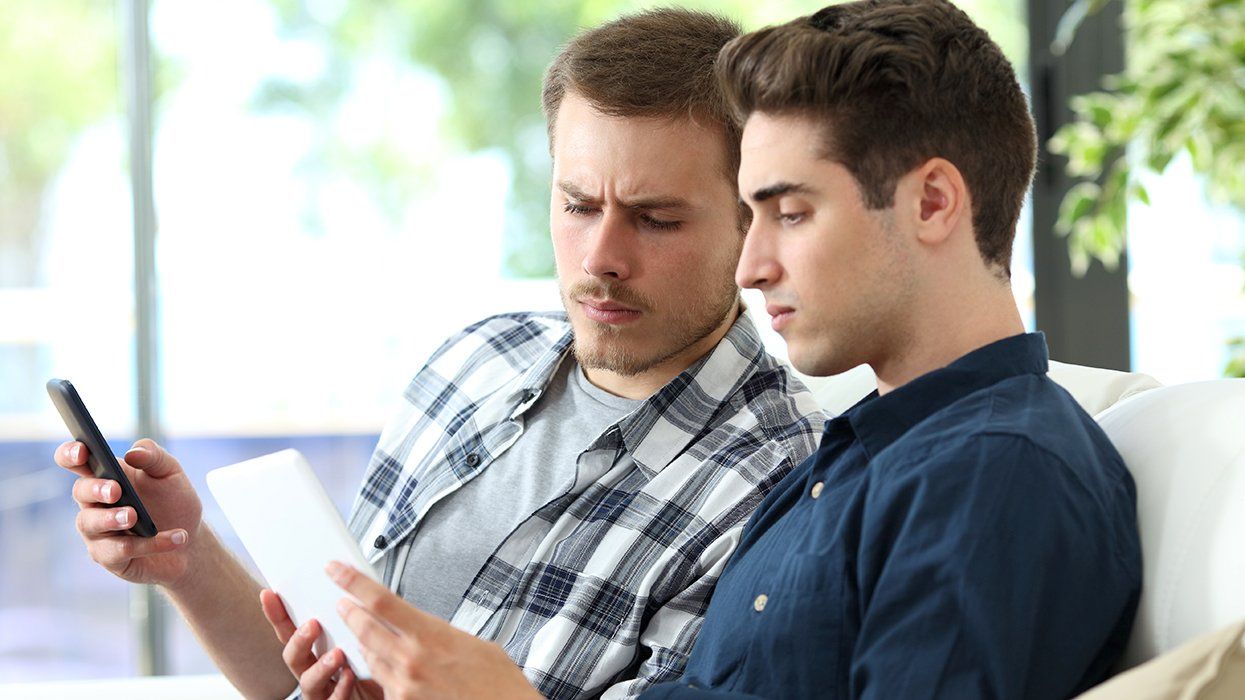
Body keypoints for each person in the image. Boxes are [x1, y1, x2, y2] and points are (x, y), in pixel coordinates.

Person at [53, 8, 826, 700]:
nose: (600, 256)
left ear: (750, 221)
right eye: (577, 204)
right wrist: (187, 559)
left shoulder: (784, 487)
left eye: (654, 219)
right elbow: (307, 677)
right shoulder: (473, 363)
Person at [637, 1, 1144, 698]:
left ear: (931, 202)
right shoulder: (853, 454)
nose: (748, 268)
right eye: (751, 218)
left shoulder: (994, 473)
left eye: (791, 214)